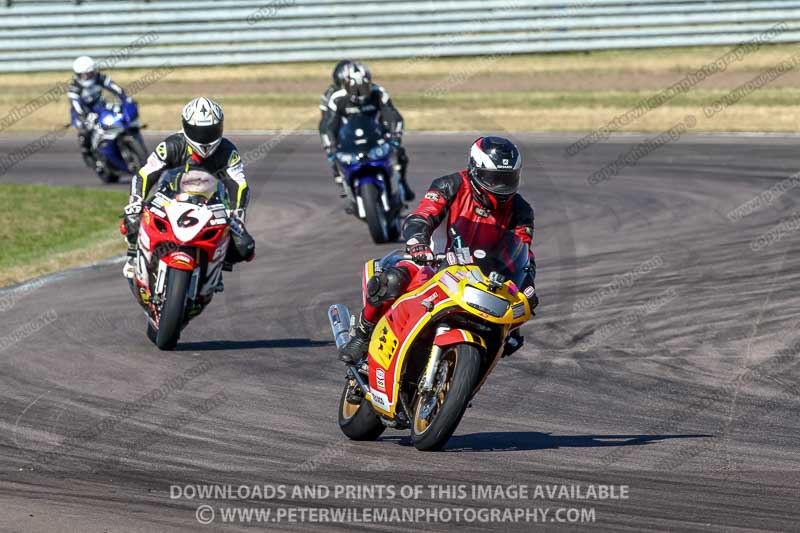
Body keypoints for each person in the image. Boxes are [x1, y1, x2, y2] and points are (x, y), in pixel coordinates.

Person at [338, 136, 538, 364]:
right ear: (475, 170)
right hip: (433, 263)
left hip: (483, 278)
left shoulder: (521, 209)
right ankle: (364, 334)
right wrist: (418, 242)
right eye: (493, 178)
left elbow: (524, 252)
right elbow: (423, 215)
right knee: (390, 281)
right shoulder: (450, 185)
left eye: (508, 178)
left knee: (512, 327)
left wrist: (528, 283)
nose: (501, 187)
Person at [122, 97, 254, 282]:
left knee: (244, 247)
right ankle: (133, 255)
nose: (205, 137)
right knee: (132, 218)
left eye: (210, 131)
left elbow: (239, 184)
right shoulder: (171, 145)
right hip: (169, 198)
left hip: (211, 204)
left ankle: (213, 270)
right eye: (198, 131)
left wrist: (237, 217)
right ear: (186, 127)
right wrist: (135, 201)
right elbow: (146, 174)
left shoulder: (228, 152)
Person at [320, 62, 415, 202]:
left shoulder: (378, 92)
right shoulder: (336, 98)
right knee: (334, 157)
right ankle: (341, 178)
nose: (360, 92)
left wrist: (395, 135)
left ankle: (402, 182)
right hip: (348, 136)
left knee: (400, 152)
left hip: (376, 132)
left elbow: (393, 115)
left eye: (363, 87)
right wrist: (331, 146)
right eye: (355, 88)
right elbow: (327, 125)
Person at [67, 55, 128, 178]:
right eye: (86, 75)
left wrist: (124, 98)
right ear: (79, 75)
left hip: (99, 106)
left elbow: (116, 88)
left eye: (91, 73)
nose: (90, 76)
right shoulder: (74, 88)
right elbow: (76, 105)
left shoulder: (100, 78)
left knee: (117, 115)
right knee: (84, 131)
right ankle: (90, 155)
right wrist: (84, 118)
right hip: (82, 112)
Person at [319, 60, 354, 185]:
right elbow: (326, 118)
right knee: (324, 129)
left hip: (359, 122)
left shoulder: (363, 89)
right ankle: (336, 167)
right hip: (339, 124)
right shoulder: (329, 94)